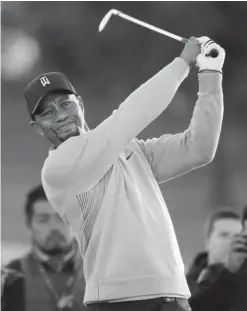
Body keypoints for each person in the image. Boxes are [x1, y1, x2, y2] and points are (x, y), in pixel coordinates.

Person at [24, 36, 225, 311]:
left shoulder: (130, 150)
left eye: (65, 104)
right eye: (47, 113)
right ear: (37, 127)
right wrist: (182, 63)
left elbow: (199, 147)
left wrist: (211, 75)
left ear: (80, 104)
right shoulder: (59, 167)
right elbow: (129, 116)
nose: (59, 116)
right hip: (117, 302)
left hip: (173, 294)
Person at [3, 185, 86, 311]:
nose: (54, 227)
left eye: (61, 217)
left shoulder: (99, 271)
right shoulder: (11, 276)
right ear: (29, 224)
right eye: (43, 220)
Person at [189, 205, 247, 311]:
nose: (231, 241)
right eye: (224, 235)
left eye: (237, 236)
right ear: (207, 241)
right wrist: (229, 271)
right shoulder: (184, 285)